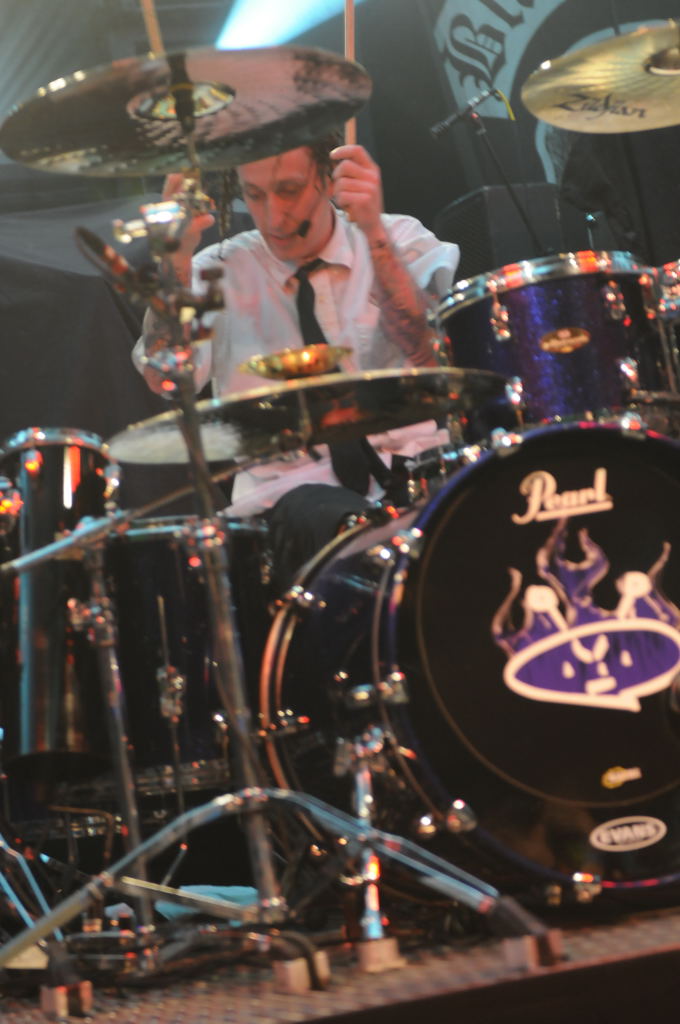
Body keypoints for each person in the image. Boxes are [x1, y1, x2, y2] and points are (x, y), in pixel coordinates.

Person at [133, 135, 460, 586]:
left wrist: (373, 237)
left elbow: (432, 352)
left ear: (328, 177)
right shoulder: (215, 270)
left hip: (419, 473)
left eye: (288, 190)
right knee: (333, 520)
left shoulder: (397, 237)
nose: (273, 215)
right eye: (255, 195)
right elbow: (164, 375)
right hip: (291, 502)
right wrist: (174, 263)